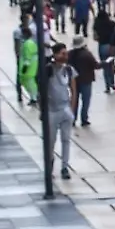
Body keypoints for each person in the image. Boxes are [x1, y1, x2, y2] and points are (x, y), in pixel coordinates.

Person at [46, 42, 79, 180]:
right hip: (52, 110)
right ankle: (50, 163)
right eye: (62, 53)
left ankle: (65, 166)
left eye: (66, 53)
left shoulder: (69, 70)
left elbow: (73, 89)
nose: (65, 56)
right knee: (51, 140)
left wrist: (72, 109)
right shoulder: (49, 69)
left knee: (66, 139)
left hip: (65, 108)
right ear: (55, 54)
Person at [68, 36, 101, 126]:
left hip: (74, 81)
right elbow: (96, 65)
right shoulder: (87, 54)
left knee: (74, 99)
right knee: (86, 100)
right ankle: (84, 118)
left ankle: (73, 119)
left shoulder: (69, 54)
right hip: (86, 80)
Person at [93, 12, 115, 93]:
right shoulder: (112, 24)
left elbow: (95, 37)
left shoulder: (97, 25)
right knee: (112, 64)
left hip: (102, 46)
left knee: (105, 66)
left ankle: (107, 86)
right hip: (112, 46)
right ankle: (113, 83)